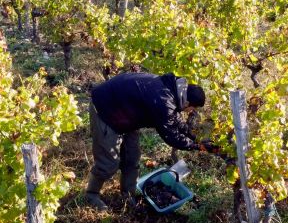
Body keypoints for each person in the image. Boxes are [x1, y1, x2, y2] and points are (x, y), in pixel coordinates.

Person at [86, 72, 207, 211]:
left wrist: (195, 138)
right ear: (187, 102)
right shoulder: (163, 100)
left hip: (125, 113)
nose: (191, 111)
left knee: (132, 157)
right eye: (193, 108)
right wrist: (197, 146)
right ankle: (91, 194)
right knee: (108, 163)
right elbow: (171, 136)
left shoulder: (173, 90)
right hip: (105, 109)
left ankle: (128, 195)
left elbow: (175, 119)